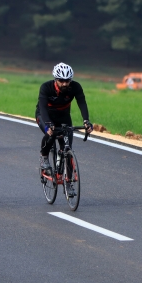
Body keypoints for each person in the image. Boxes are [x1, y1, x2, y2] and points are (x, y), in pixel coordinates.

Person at [36, 62, 93, 195]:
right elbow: (43, 108)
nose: (65, 84)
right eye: (61, 81)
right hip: (45, 114)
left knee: (66, 148)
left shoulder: (75, 87)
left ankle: (68, 183)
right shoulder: (46, 87)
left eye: (67, 81)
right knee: (50, 134)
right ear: (56, 79)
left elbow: (82, 103)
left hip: (63, 116)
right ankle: (44, 157)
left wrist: (86, 121)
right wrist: (48, 125)